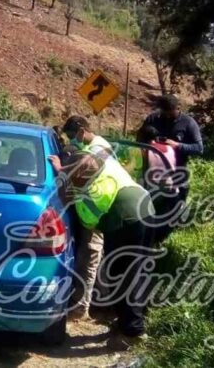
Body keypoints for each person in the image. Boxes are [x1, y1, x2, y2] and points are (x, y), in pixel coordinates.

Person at [55, 150, 155, 350]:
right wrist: (63, 169)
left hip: (125, 220)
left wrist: (66, 186)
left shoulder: (91, 195)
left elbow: (90, 224)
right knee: (138, 271)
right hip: (147, 208)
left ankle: (132, 333)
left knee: (121, 276)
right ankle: (136, 319)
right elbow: (84, 161)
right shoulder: (103, 162)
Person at [50, 115, 113, 322]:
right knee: (89, 257)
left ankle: (83, 308)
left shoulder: (97, 149)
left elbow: (81, 172)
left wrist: (60, 169)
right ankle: (93, 303)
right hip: (91, 210)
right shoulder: (95, 146)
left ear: (81, 130)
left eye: (71, 136)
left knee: (91, 258)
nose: (71, 141)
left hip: (97, 211)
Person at [143, 94, 203, 201]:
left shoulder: (188, 123)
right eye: (164, 113)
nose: (167, 117)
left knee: (175, 209)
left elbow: (199, 148)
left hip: (177, 174)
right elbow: (140, 140)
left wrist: (178, 145)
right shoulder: (153, 119)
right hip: (151, 173)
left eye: (170, 114)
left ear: (178, 108)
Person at [136, 124, 180, 245]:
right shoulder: (170, 149)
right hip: (172, 190)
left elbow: (141, 172)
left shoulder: (146, 150)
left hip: (155, 193)